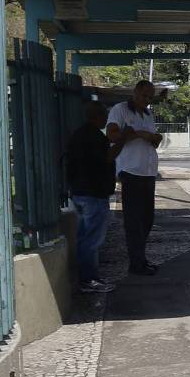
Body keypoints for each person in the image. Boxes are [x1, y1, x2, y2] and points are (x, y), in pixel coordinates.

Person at [106, 80, 163, 276]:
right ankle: (136, 264)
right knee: (133, 220)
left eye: (150, 97)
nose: (146, 100)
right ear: (135, 93)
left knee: (147, 219)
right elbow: (112, 135)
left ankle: (141, 259)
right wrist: (136, 134)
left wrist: (155, 138)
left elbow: (152, 138)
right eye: (144, 96)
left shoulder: (147, 114)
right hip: (130, 171)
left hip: (148, 171)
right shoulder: (120, 110)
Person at [66, 101, 119, 294]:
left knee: (83, 237)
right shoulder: (94, 137)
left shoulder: (79, 134)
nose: (106, 119)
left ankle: (85, 277)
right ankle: (88, 279)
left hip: (79, 191)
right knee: (91, 239)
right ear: (98, 116)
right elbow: (106, 158)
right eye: (105, 115)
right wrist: (122, 141)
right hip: (93, 194)